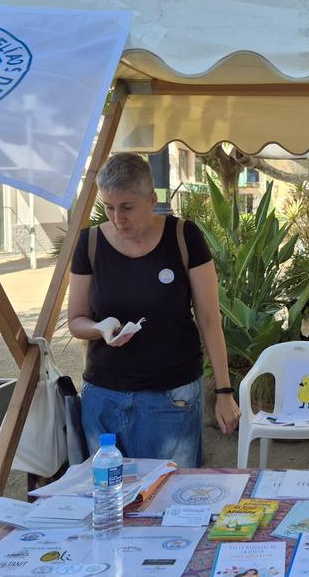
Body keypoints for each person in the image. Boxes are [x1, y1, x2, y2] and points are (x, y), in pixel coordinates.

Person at [67, 152, 239, 466]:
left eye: (127, 208)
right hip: (104, 398)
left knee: (173, 503)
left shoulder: (184, 236)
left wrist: (225, 392)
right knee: (110, 504)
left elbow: (210, 319)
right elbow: (76, 320)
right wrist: (100, 327)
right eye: (108, 207)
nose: (118, 219)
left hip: (173, 398)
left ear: (152, 198)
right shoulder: (89, 242)